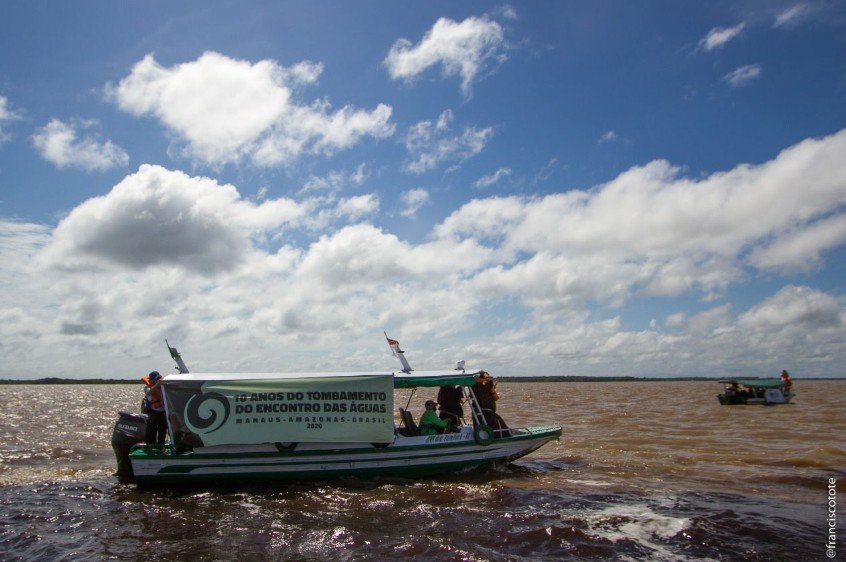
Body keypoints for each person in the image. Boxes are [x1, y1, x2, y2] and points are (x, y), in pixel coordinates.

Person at [142, 371, 168, 444]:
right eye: (156, 379)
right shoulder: (147, 388)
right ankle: (150, 445)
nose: (158, 380)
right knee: (152, 429)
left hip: (162, 411)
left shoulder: (163, 387)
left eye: (159, 378)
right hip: (153, 411)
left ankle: (161, 445)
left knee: (163, 428)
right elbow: (149, 393)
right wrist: (157, 384)